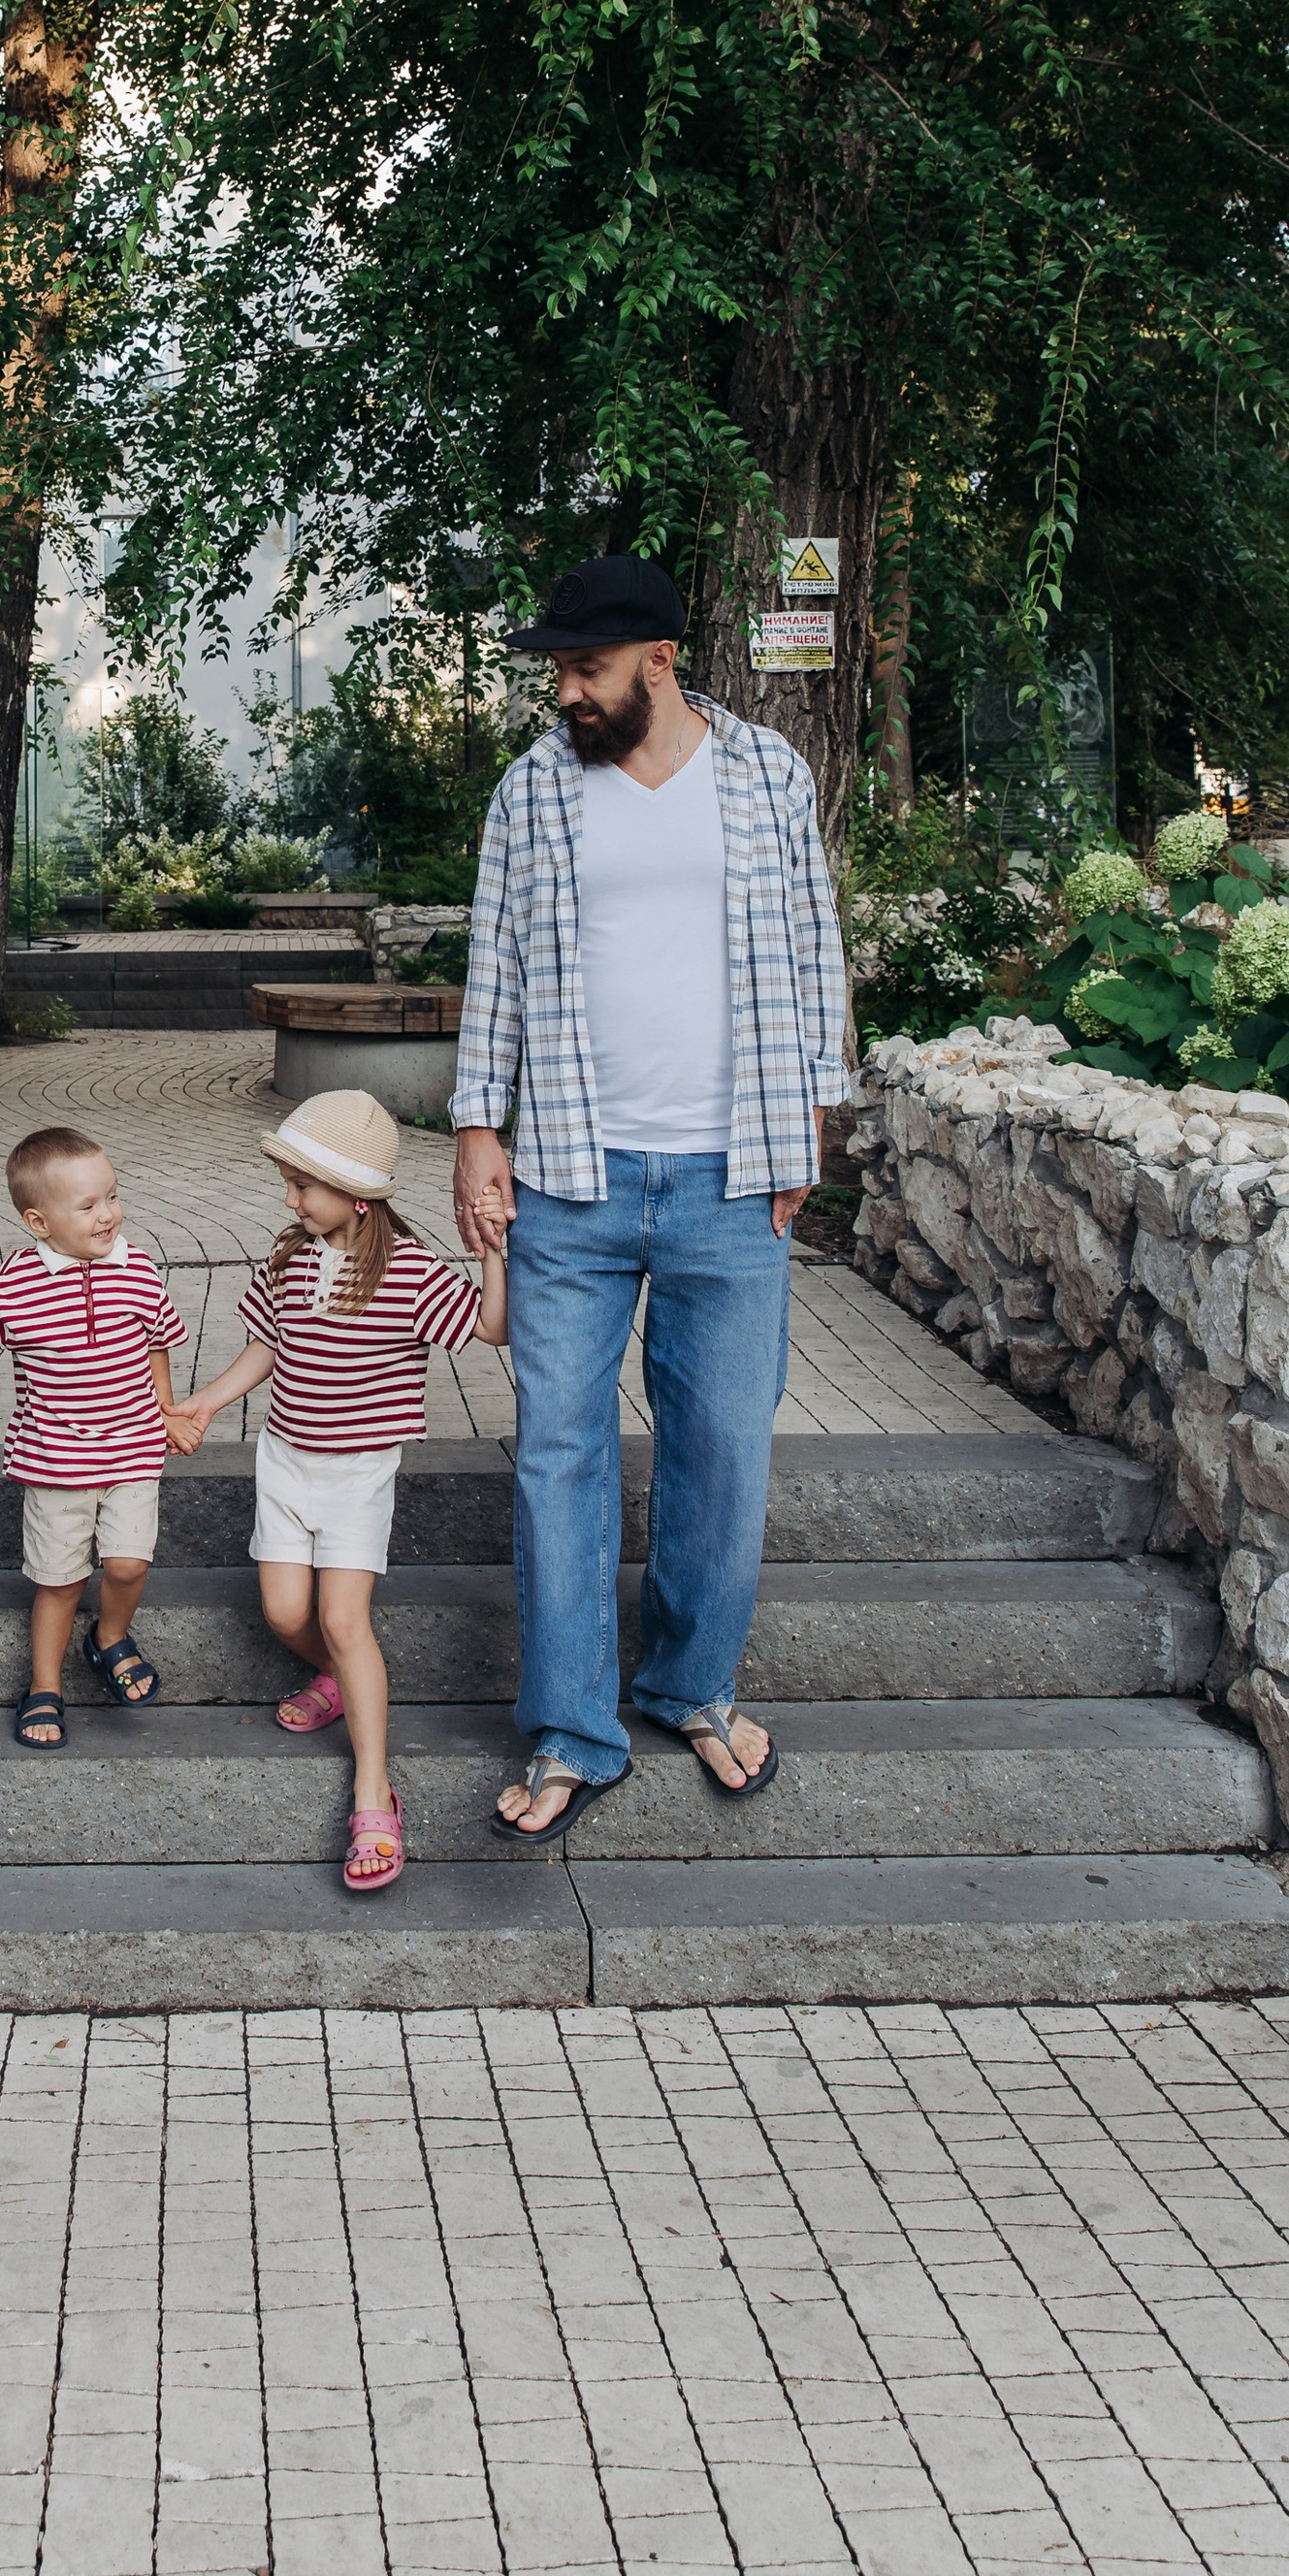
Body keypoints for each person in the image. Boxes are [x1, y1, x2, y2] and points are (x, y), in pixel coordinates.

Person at [450, 554, 847, 1843]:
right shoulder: (532, 790)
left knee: (721, 1452)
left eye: (586, 667)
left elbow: (812, 949)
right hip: (570, 1172)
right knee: (559, 1457)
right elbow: (493, 965)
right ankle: (573, 1727)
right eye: (558, 668)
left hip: (735, 1177)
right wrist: (473, 1128)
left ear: (662, 661)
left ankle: (692, 1687)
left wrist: (812, 1126)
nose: (564, 689)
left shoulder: (767, 775)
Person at [176, 1088, 505, 1892]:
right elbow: (265, 1347)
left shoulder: (413, 1270)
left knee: (340, 1615)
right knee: (288, 1613)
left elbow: (491, 1329)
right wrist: (208, 1401)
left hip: (359, 1474)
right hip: (286, 1460)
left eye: (303, 1186)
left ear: (357, 1197)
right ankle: (338, 1682)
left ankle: (372, 1793)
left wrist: (496, 1253)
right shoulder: (288, 1258)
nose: (290, 1200)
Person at [0, 1126, 192, 1748]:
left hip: (132, 1449)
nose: (108, 1215)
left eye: (112, 1196)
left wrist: (169, 1412)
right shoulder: (19, 1280)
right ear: (38, 1222)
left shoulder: (138, 1268)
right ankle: (44, 1685)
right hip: (56, 1462)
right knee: (60, 1581)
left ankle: (109, 1636)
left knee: (128, 1563)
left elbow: (158, 1343)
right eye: (88, 1206)